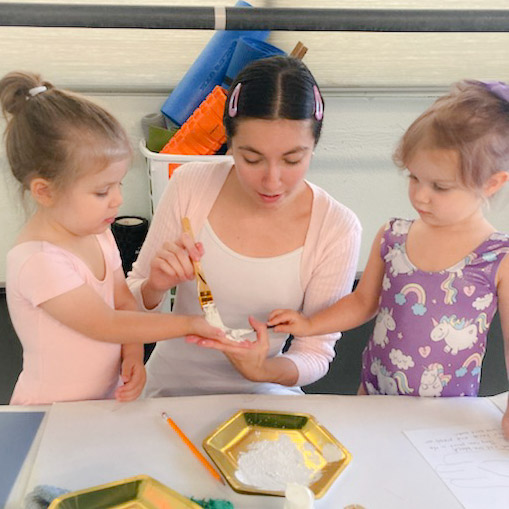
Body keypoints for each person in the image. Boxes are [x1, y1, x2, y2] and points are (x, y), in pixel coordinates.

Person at [269, 80, 509, 437]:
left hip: (448, 419)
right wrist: (309, 324)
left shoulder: (497, 257)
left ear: (492, 184)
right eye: (414, 178)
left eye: (440, 187)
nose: (421, 196)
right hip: (374, 398)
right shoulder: (393, 236)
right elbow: (362, 302)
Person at [127, 55, 362, 397]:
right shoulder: (191, 184)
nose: (272, 180)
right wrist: (154, 287)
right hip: (169, 388)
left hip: (264, 392)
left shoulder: (337, 228)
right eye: (251, 158)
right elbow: (128, 309)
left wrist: (264, 371)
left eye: (292, 159)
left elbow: (315, 352)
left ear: (314, 146)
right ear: (229, 141)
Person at [1, 71, 226, 405]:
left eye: (118, 184)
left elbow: (122, 302)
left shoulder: (98, 232)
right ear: (44, 192)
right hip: (52, 412)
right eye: (102, 191)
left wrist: (132, 355)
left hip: (103, 403)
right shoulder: (39, 261)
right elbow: (106, 324)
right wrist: (191, 324)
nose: (118, 200)